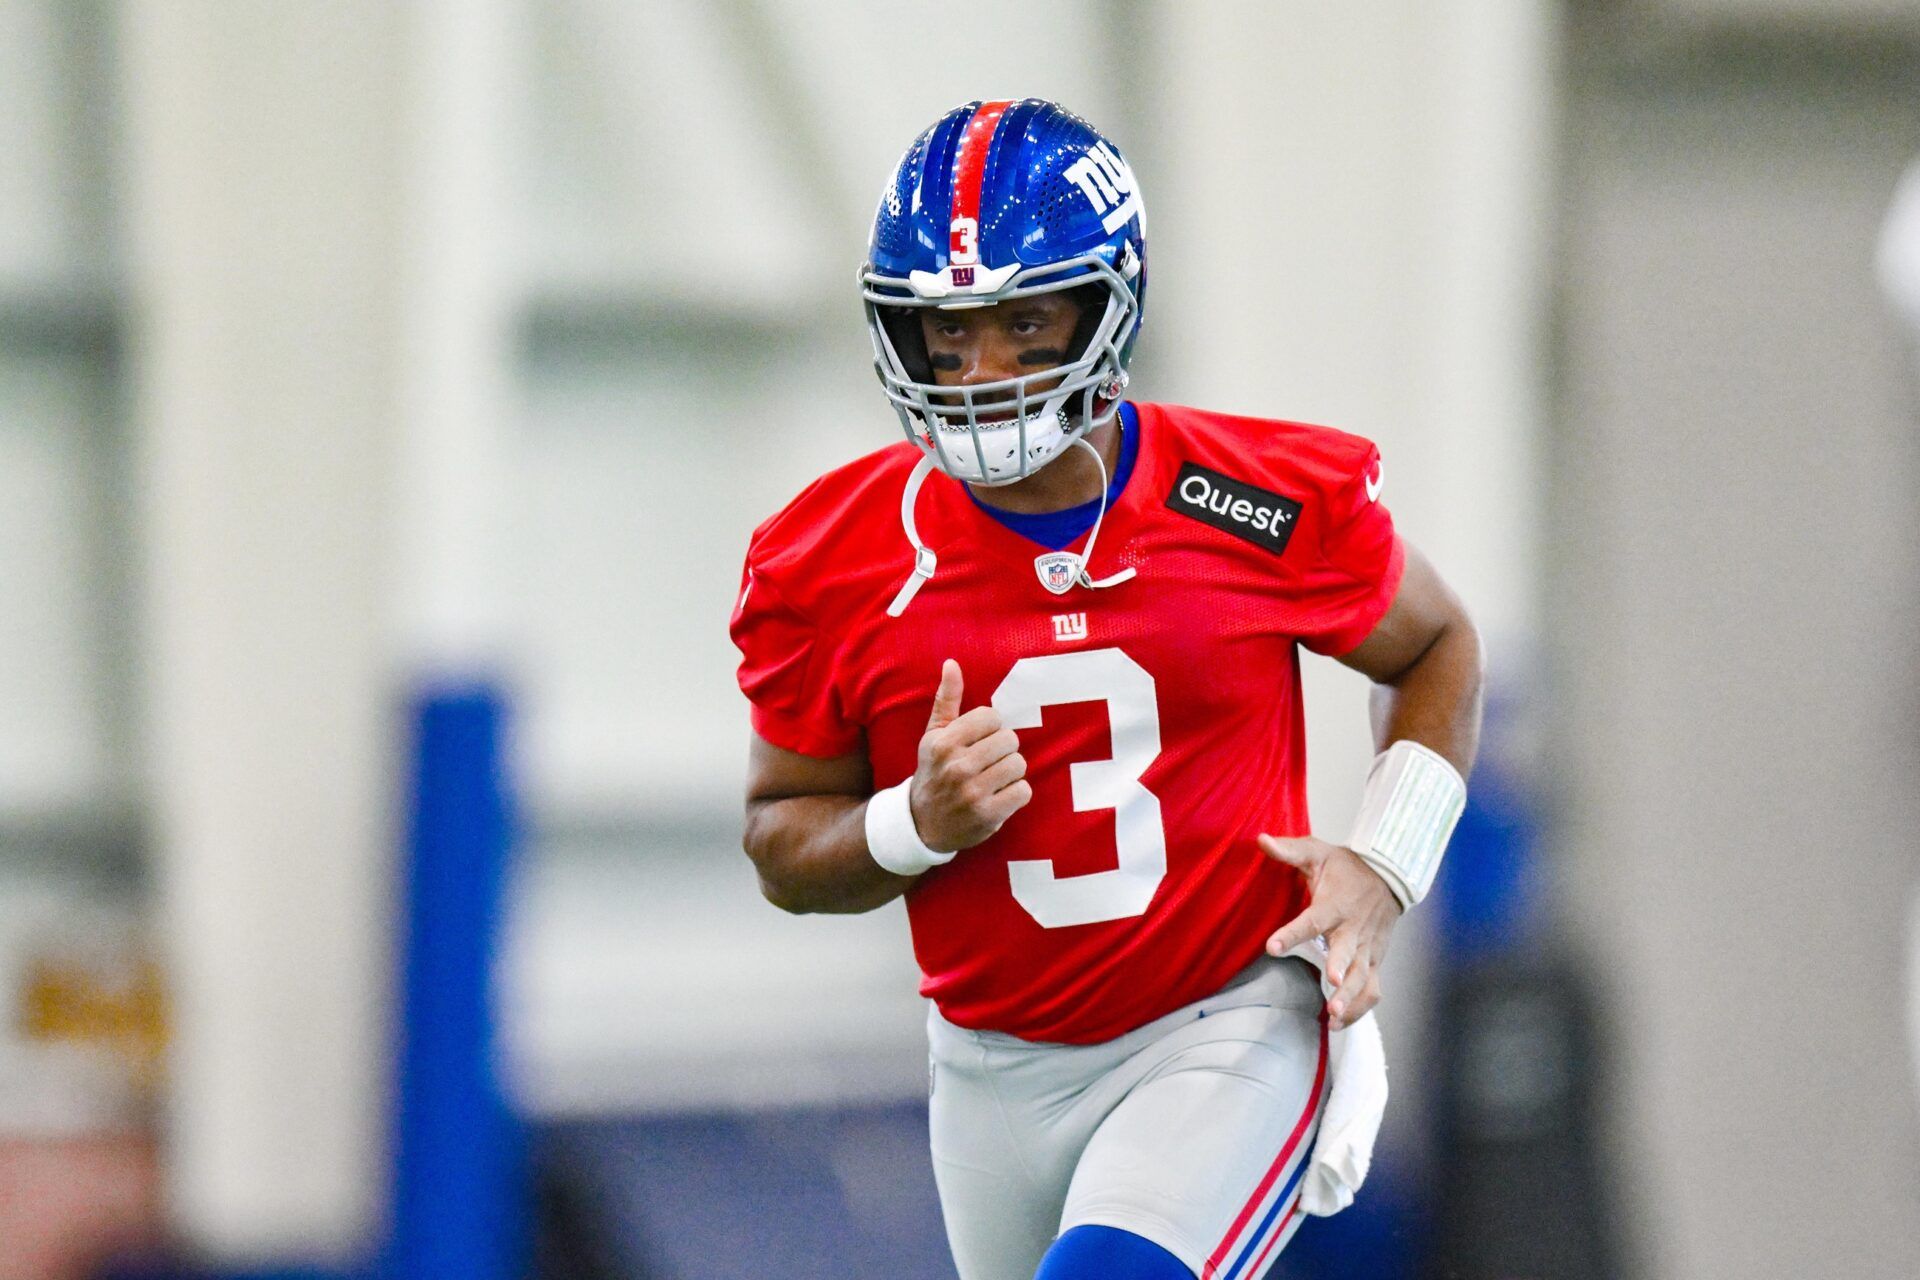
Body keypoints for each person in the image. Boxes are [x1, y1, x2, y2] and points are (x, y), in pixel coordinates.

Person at [730, 98, 1483, 1280]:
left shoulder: (1247, 498)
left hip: (1223, 1022)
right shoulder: (830, 556)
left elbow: (1439, 643)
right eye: (945, 331)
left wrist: (1386, 861)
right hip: (987, 1070)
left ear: (1104, 305)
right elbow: (781, 841)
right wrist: (911, 823)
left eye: (1023, 321)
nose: (977, 368)